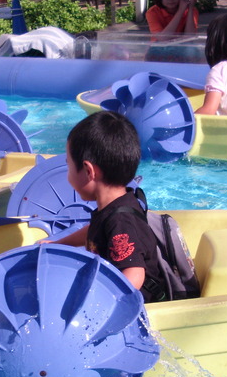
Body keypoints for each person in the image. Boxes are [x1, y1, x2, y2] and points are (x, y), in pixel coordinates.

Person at [48, 111, 168, 303]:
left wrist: (103, 303)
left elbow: (135, 274)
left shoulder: (120, 221)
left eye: (69, 167)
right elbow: (94, 231)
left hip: (141, 306)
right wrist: (58, 244)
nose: (68, 176)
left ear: (88, 171)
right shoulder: (115, 206)